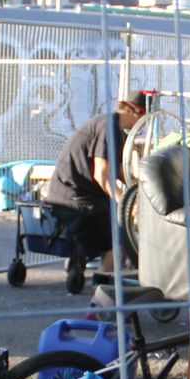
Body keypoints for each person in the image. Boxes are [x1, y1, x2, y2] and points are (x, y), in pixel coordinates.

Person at [44, 91, 148, 268]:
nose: (141, 126)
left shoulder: (114, 128)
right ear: (133, 111)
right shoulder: (109, 128)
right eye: (143, 119)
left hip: (74, 193)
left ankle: (84, 263)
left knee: (115, 223)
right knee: (117, 240)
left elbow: (120, 172)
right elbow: (102, 174)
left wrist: (139, 188)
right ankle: (106, 286)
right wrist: (124, 200)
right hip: (74, 197)